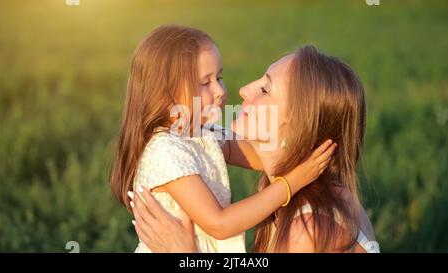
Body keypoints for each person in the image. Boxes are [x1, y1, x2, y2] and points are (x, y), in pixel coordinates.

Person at [130, 45, 380, 253]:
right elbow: (213, 142)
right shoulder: (300, 195)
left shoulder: (307, 230)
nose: (243, 90)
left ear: (297, 125)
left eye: (265, 90)